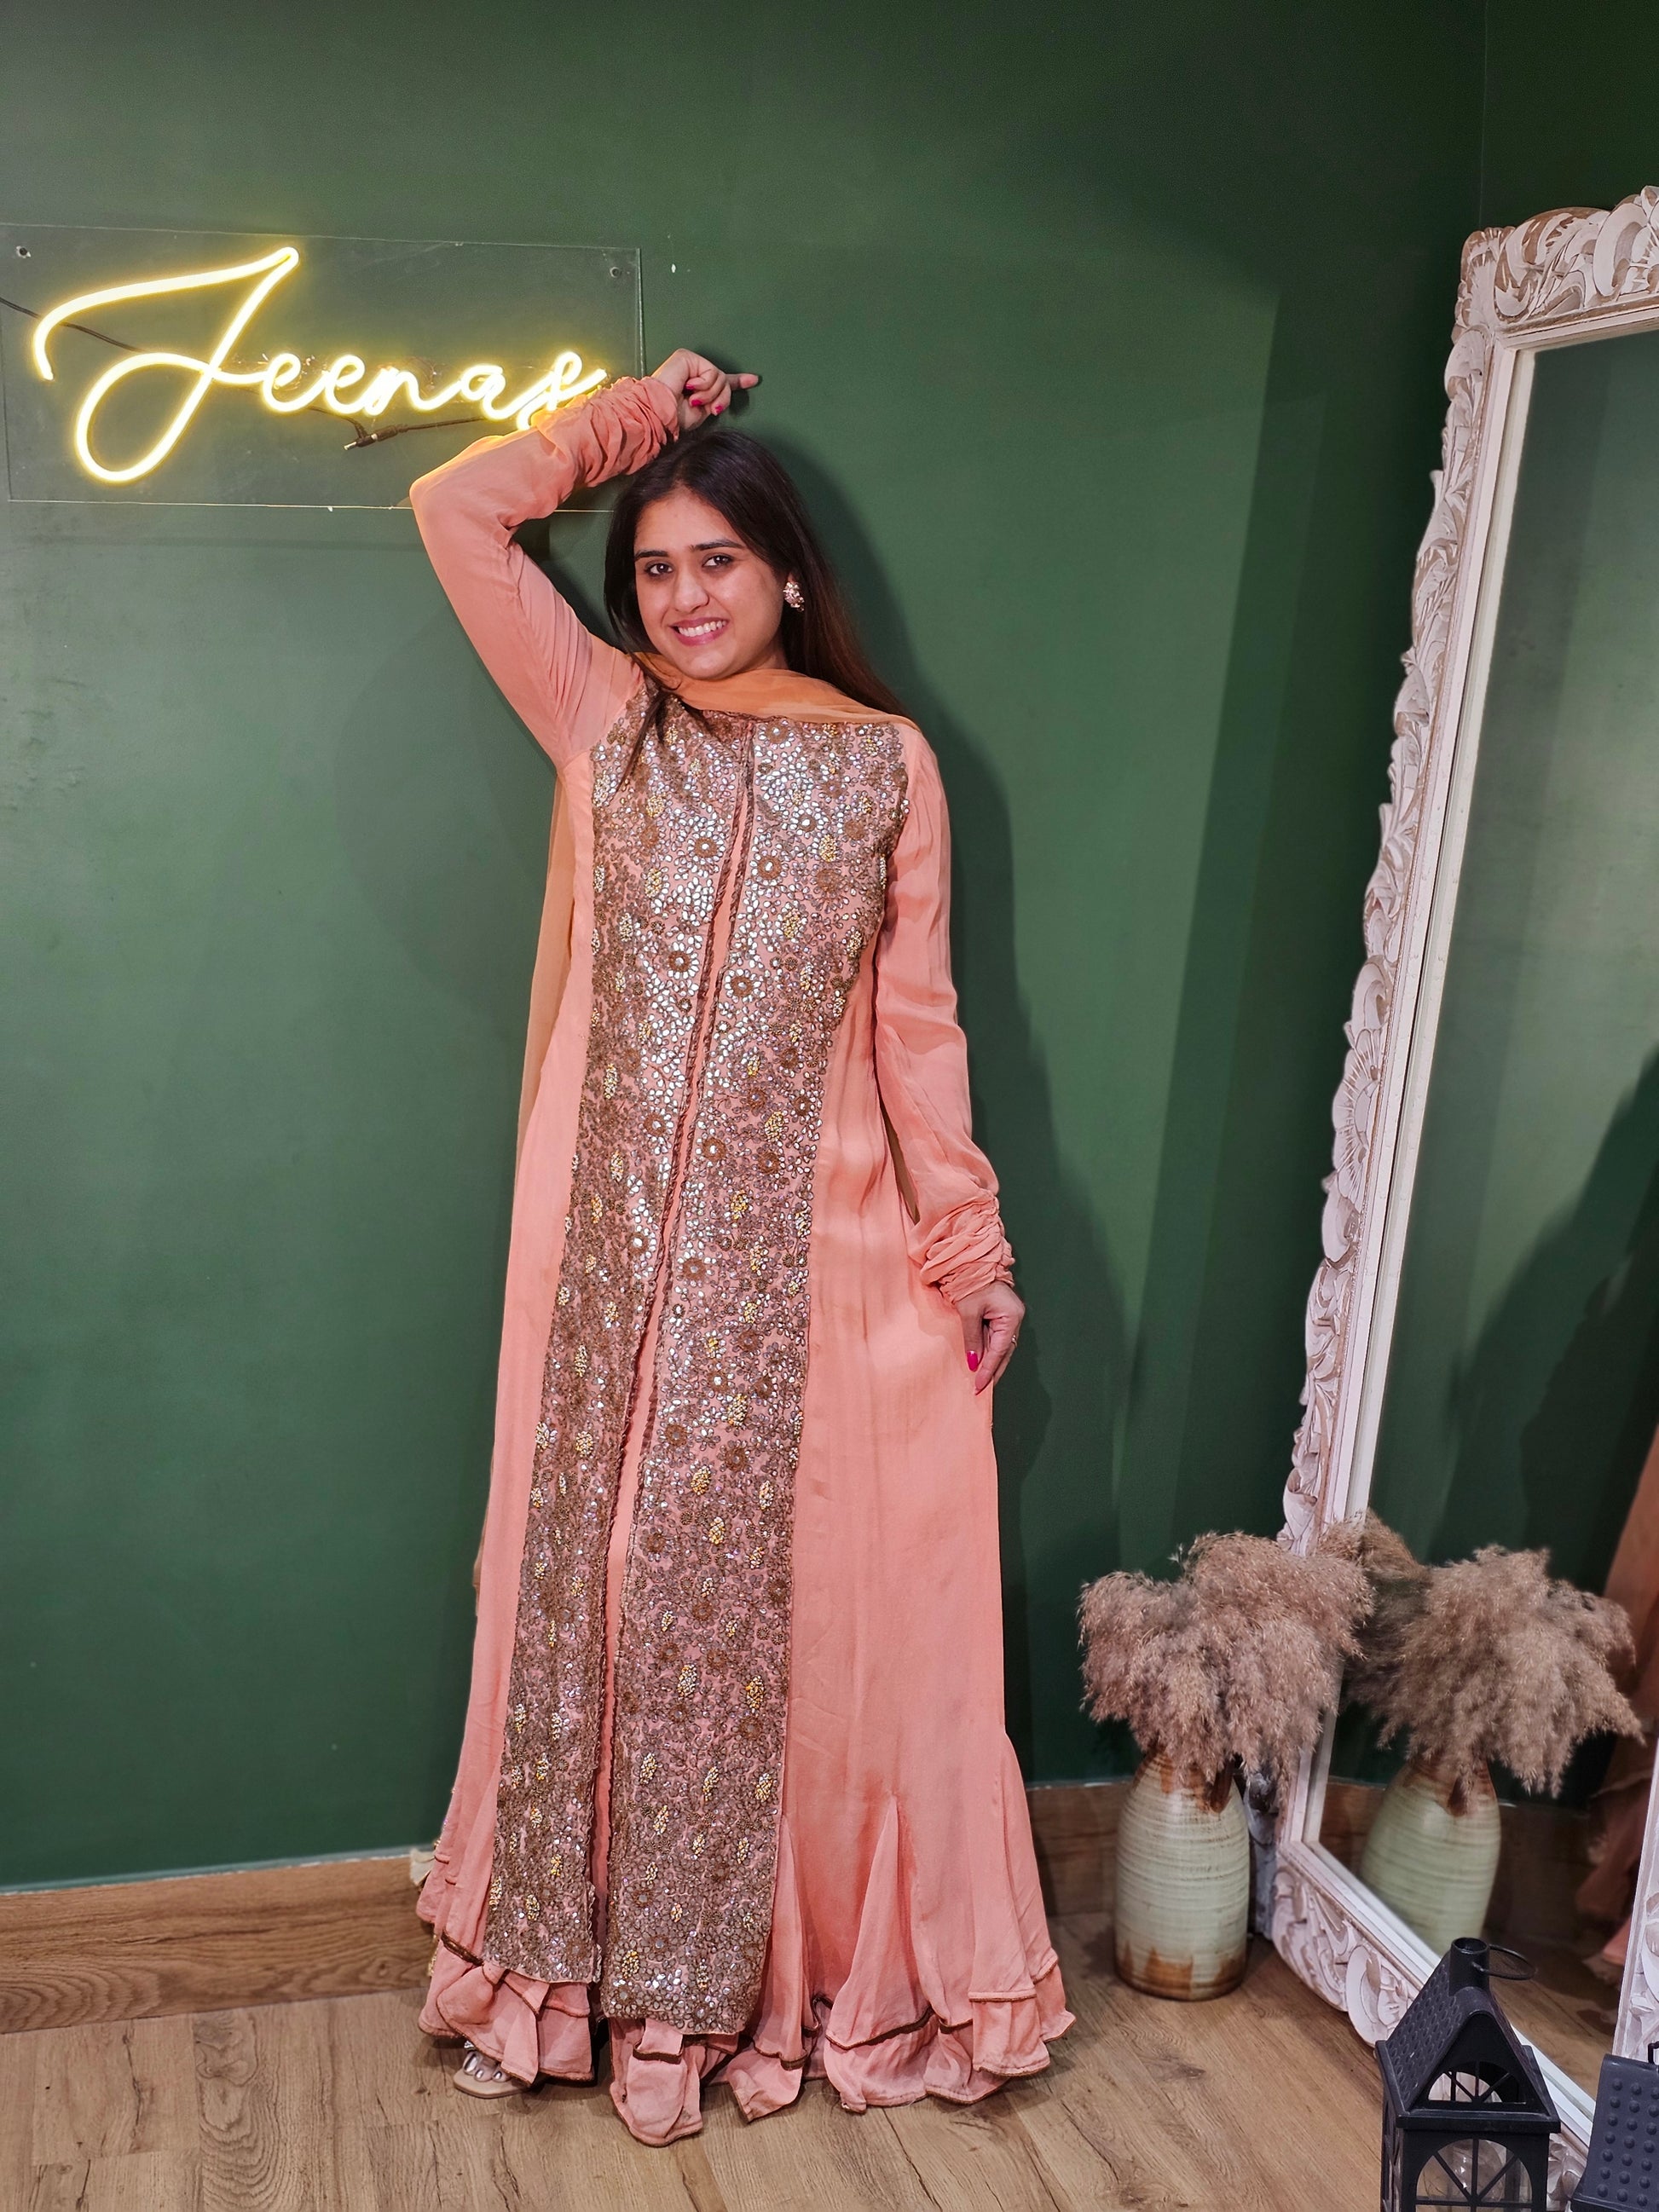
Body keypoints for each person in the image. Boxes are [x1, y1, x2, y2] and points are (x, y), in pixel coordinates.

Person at [408, 349, 1071, 2145]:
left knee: (746, 1638)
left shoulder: (883, 766)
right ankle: (555, 1977)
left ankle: (697, 2005)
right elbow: (455, 509)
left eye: (715, 560)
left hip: (810, 1271)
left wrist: (969, 1248)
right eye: (652, 568)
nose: (682, 598)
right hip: (601, 1264)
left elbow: (916, 1028)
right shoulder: (604, 715)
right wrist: (634, 420)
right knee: (593, 1605)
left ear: (786, 572)